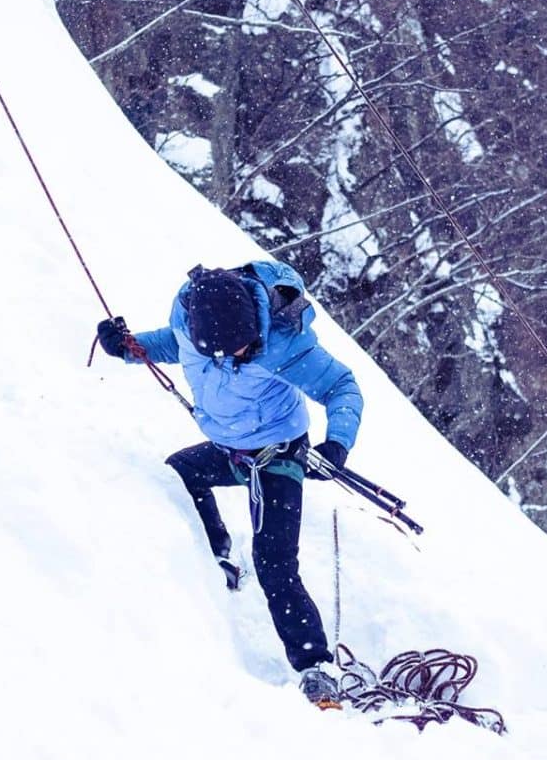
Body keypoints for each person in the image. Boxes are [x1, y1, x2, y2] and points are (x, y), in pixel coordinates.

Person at [97, 260, 363, 707]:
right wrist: (127, 347)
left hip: (279, 454)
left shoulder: (283, 340)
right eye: (222, 353)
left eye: (242, 350)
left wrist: (336, 445)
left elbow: (343, 386)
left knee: (275, 563)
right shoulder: (189, 318)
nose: (234, 358)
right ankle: (219, 558)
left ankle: (315, 666)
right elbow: (174, 343)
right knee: (177, 476)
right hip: (227, 448)